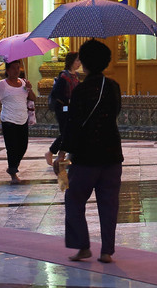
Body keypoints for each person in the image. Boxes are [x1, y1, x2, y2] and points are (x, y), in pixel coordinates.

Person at [64, 39, 122, 264]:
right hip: (111, 154)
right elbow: (115, 112)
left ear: (84, 64)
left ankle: (82, 246)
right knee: (109, 204)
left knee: (74, 199)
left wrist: (62, 150)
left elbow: (74, 123)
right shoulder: (114, 87)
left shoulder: (81, 90)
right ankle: (106, 251)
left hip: (86, 157)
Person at [0, 59, 35, 183]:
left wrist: (29, 88)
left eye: (18, 67)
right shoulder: (2, 84)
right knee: (12, 148)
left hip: (22, 119)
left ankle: (13, 167)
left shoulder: (23, 83)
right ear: (8, 70)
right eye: (13, 68)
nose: (16, 71)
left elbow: (33, 98)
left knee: (23, 147)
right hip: (9, 120)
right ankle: (13, 172)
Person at [47, 52, 82, 171]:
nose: (79, 63)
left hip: (72, 109)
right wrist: (68, 100)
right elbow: (57, 93)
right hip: (63, 109)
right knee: (65, 133)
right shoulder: (63, 76)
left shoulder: (76, 75)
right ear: (71, 61)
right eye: (77, 60)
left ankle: (61, 155)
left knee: (69, 132)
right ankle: (53, 152)